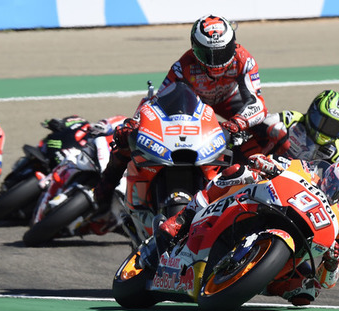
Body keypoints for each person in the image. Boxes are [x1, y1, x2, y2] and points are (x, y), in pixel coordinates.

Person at [92, 14, 268, 212]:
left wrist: (236, 124)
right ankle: (102, 194)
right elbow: (156, 101)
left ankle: (267, 184)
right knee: (123, 144)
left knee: (271, 130)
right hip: (198, 108)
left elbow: (258, 104)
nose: (215, 61)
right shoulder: (183, 66)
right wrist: (135, 123)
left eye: (221, 52)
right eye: (206, 53)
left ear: (232, 44)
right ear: (194, 48)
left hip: (230, 103)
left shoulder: (245, 60)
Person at [156, 154, 339, 306]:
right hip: (266, 204)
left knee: (308, 291)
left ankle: (252, 279)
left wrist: (333, 262)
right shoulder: (308, 172)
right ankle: (183, 218)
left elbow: (328, 281)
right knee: (237, 172)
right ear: (332, 183)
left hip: (293, 254)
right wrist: (266, 163)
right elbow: (276, 161)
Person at [260, 90, 339, 164]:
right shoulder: (292, 120)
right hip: (268, 169)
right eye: (322, 122)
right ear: (312, 112)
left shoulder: (338, 152)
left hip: (302, 184)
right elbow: (264, 122)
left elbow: (335, 183)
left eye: (333, 127)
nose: (326, 129)